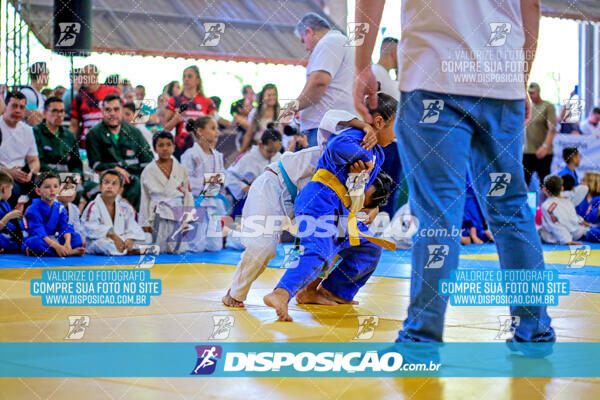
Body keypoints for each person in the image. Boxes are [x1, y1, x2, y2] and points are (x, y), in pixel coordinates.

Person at [353, 0, 555, 353]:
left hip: (434, 77)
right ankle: (534, 331)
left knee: (436, 213)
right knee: (511, 212)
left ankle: (422, 337)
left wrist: (361, 66)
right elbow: (530, 6)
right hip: (500, 83)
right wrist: (519, 77)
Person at [222, 107, 380, 307]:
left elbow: (353, 207)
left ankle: (310, 291)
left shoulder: (367, 169)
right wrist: (364, 125)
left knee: (336, 237)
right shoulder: (338, 144)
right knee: (263, 248)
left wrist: (366, 202)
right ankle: (235, 293)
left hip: (307, 205)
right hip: (274, 186)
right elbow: (331, 117)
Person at [263, 93, 397, 321]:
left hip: (341, 208)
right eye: (396, 125)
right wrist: (364, 156)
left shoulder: (379, 155)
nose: (398, 132)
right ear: (379, 123)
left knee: (369, 247)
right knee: (319, 250)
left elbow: (356, 186)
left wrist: (360, 176)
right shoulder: (357, 135)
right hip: (319, 200)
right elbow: (336, 147)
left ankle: (333, 291)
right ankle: (281, 292)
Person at [283, 13, 357, 147]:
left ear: (309, 31)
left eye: (303, 40)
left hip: (327, 128)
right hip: (335, 125)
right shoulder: (339, 41)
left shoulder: (329, 42)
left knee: (323, 168)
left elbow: (319, 83)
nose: (305, 47)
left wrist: (294, 107)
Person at [85, 94, 154, 210]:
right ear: (103, 112)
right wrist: (115, 169)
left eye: (116, 109)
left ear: (122, 111)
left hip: (133, 181)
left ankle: (129, 215)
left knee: (140, 183)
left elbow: (147, 160)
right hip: (106, 181)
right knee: (89, 188)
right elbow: (95, 165)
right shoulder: (94, 134)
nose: (112, 113)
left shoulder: (134, 133)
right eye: (108, 110)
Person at [140, 131, 194, 254]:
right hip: (157, 213)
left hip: (177, 213)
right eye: (161, 145)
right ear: (155, 148)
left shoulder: (181, 169)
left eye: (168, 145)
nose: (165, 148)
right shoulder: (148, 171)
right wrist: (144, 222)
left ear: (174, 147)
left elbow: (188, 195)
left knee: (178, 250)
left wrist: (188, 219)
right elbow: (145, 198)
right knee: (158, 249)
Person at [181, 116, 227, 253]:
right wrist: (210, 182)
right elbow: (186, 181)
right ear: (200, 131)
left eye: (217, 129)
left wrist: (212, 182)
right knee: (196, 247)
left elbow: (224, 178)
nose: (217, 132)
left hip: (214, 204)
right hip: (197, 204)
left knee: (215, 247)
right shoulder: (189, 155)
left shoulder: (218, 156)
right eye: (213, 128)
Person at [82, 170, 146, 255]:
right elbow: (89, 228)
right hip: (100, 240)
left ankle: (126, 248)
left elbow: (133, 226)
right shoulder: (93, 205)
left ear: (120, 190)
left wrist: (131, 239)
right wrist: (111, 235)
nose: (109, 186)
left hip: (121, 239)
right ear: (100, 187)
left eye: (114, 184)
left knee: (147, 237)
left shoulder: (125, 207)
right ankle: (129, 250)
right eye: (106, 183)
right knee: (104, 245)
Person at [22, 172, 85, 257]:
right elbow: (39, 232)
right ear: (38, 191)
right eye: (47, 187)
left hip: (53, 238)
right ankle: (68, 252)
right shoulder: (33, 209)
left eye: (55, 186)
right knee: (35, 243)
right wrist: (57, 246)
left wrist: (67, 243)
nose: (52, 190)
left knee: (77, 238)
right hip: (39, 238)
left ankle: (61, 251)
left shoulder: (60, 207)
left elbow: (65, 227)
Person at [227, 129, 282, 217]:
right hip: (250, 199)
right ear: (260, 145)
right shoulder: (248, 158)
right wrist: (244, 187)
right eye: (269, 151)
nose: (272, 154)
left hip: (272, 201)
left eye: (275, 151)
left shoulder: (279, 157)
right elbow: (229, 175)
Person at [163, 66, 216, 159]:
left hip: (202, 150)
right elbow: (165, 128)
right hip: (180, 150)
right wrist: (176, 119)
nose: (186, 79)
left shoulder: (207, 102)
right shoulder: (175, 100)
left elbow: (213, 129)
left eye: (190, 76)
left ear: (198, 80)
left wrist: (211, 149)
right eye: (184, 76)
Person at [0, 91, 40, 207]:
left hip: (22, 174)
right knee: (13, 189)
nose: (18, 110)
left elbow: (34, 160)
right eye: (14, 106)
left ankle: (35, 222)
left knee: (43, 187)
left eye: (22, 107)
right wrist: (8, 172)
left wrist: (31, 172)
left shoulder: (27, 130)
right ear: (6, 107)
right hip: (2, 173)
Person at [539, 175, 600, 245]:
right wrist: (567, 241)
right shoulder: (549, 206)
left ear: (544, 190)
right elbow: (556, 226)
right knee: (594, 233)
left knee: (594, 230)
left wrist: (587, 224)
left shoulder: (566, 198)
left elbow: (584, 188)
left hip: (577, 230)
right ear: (562, 188)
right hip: (571, 233)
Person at [70, 64, 121, 148]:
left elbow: (122, 114)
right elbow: (74, 125)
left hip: (110, 142)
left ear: (95, 75)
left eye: (85, 75)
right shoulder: (78, 97)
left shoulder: (111, 91)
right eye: (81, 76)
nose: (82, 78)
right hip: (86, 144)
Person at [33, 97, 83, 176]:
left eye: (62, 111)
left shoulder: (69, 135)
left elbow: (77, 163)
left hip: (68, 180)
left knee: (95, 186)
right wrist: (61, 175)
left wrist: (77, 176)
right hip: (45, 178)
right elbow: (37, 162)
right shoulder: (35, 132)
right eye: (55, 111)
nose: (59, 115)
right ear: (44, 113)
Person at [523, 82, 558, 188]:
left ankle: (546, 204)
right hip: (528, 151)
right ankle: (524, 204)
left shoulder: (547, 106)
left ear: (538, 92)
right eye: (529, 93)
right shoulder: (527, 107)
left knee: (545, 183)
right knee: (524, 182)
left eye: (533, 93)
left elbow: (552, 128)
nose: (531, 95)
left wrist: (545, 146)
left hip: (543, 152)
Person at [240, 84, 282, 153]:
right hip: (259, 149)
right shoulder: (256, 112)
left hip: (277, 150)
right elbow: (249, 134)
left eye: (274, 94)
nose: (272, 97)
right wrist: (241, 152)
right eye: (269, 95)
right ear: (263, 97)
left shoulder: (281, 111)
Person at [0, 171, 24, 253]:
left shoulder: (5, 204)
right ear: (4, 188)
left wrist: (16, 213)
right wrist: (9, 216)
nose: (11, 193)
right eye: (10, 190)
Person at [21, 61, 49, 126]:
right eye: (45, 74)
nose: (48, 77)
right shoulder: (28, 93)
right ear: (37, 75)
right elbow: (33, 120)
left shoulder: (42, 96)